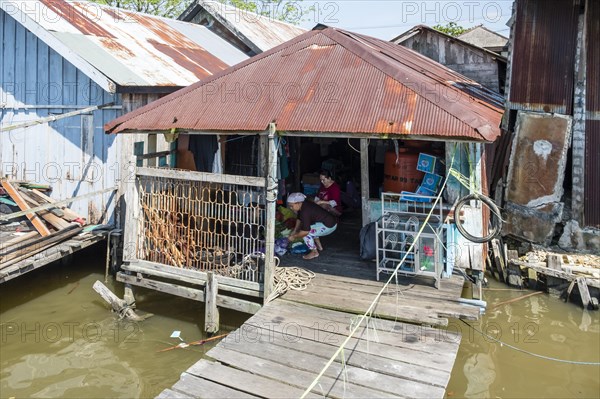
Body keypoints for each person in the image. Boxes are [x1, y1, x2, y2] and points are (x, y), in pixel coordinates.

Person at [287, 192, 337, 260]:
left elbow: (305, 232)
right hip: (328, 222)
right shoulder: (304, 204)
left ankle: (314, 252)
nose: (290, 208)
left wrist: (293, 236)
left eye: (291, 206)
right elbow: (299, 218)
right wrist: (295, 230)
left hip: (329, 226)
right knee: (312, 228)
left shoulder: (305, 212)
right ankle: (319, 246)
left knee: (306, 234)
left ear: (298, 203)